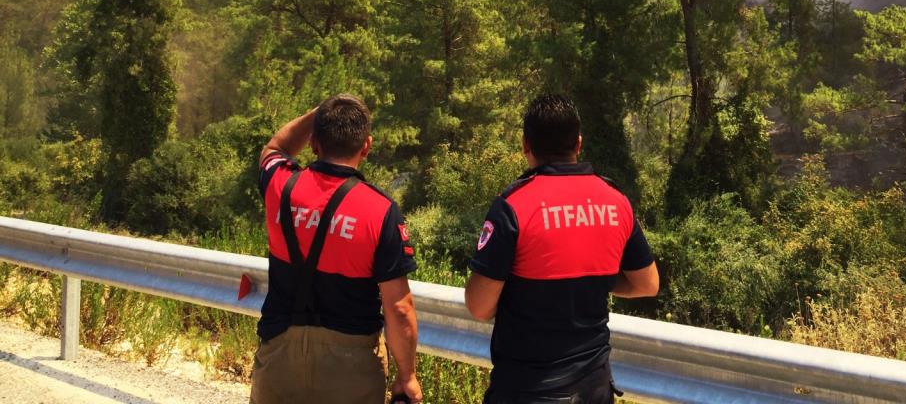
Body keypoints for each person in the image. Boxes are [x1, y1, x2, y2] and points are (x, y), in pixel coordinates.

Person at [464, 94, 659, 403]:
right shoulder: (615, 201)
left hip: (527, 388)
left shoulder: (513, 206)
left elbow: (479, 306)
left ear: (526, 145)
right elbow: (647, 284)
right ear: (578, 143)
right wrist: (593, 280)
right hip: (594, 387)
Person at [250, 94, 422, 404]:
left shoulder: (280, 186)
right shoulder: (381, 211)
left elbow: (275, 148)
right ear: (366, 146)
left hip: (279, 356)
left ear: (314, 143)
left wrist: (320, 110)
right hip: (350, 367)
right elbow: (399, 308)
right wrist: (407, 375)